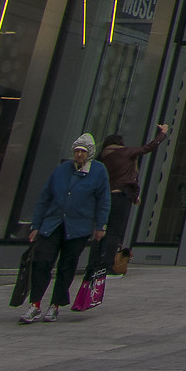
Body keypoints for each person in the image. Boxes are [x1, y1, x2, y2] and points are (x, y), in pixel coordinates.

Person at [19, 133, 109, 323]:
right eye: (76, 151)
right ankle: (34, 304)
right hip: (53, 224)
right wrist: (36, 225)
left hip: (78, 227)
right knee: (42, 261)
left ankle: (55, 305)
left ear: (90, 154)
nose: (79, 155)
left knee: (67, 266)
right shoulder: (62, 169)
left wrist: (100, 225)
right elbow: (45, 197)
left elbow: (103, 200)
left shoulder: (99, 171)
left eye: (83, 152)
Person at [93, 123, 169, 274]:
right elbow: (148, 147)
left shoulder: (102, 157)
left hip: (105, 196)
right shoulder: (126, 152)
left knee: (101, 230)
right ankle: (108, 266)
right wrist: (163, 133)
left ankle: (95, 264)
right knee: (115, 232)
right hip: (121, 195)